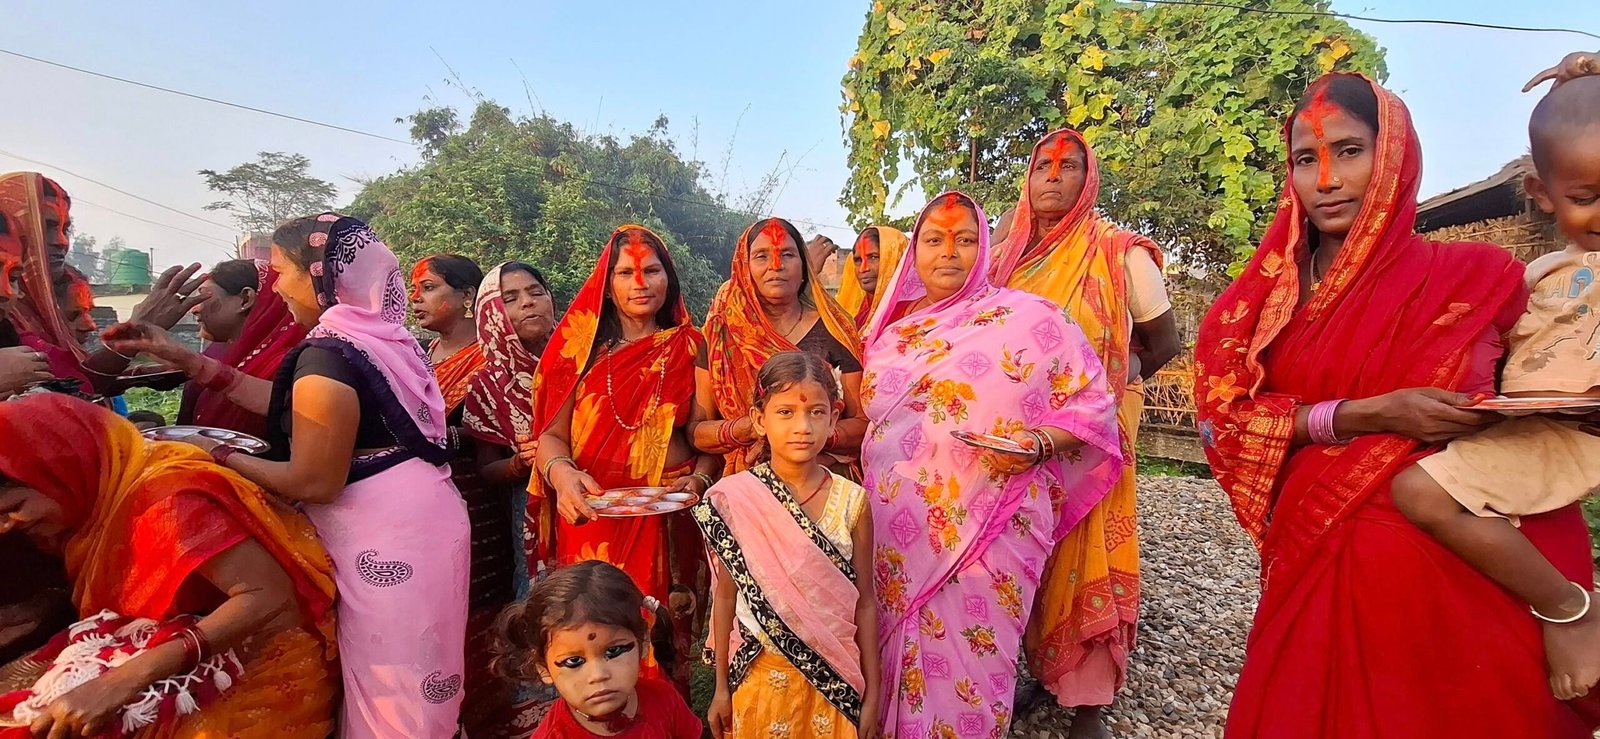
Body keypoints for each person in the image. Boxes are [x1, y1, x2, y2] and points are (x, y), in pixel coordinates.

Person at [1194, 73, 1598, 738]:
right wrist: (1368, 414)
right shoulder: (1259, 307)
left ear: (1394, 156)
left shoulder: (1481, 278)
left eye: (1349, 151)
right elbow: (1224, 422)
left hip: (1464, 579)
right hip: (1317, 565)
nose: (1326, 179)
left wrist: (1565, 605)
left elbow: (1549, 388)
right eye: (1305, 159)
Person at [117, 213, 471, 737]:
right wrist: (187, 361)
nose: (277, 288)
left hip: (385, 535)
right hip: (422, 516)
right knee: (424, 680)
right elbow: (307, 407)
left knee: (393, 692)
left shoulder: (329, 354)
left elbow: (313, 482)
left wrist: (215, 453)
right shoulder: (379, 337)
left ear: (320, 275)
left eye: (282, 272)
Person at [861, 191, 1121, 738]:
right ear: (913, 252)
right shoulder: (892, 336)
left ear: (984, 248)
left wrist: (1038, 444)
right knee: (895, 655)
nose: (948, 252)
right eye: (934, 239)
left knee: (977, 664)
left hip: (997, 527)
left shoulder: (1033, 319)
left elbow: (1094, 404)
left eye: (964, 239)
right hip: (899, 532)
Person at [1388, 76, 1600, 705]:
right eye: (1586, 196)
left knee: (1419, 493)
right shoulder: (1544, 272)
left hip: (1574, 434)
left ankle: (1570, 610)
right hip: (1529, 421)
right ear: (1541, 194)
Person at [988, 128, 1181, 735]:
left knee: (1087, 554)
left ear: (1088, 179)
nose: (1052, 176)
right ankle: (1037, 669)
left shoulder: (1119, 254)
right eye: (1041, 165)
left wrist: (1105, 390)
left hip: (1090, 441)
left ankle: (1090, 703)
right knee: (1025, 554)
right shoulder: (1003, 257)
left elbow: (1165, 342)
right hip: (1018, 440)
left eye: (1067, 166)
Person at [0, 394, 337, 738]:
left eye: (14, 507)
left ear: (61, 473)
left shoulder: (167, 501)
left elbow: (269, 597)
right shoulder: (96, 501)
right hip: (174, 644)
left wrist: (123, 680)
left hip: (261, 660)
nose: (5, 525)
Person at [530, 225, 718, 652]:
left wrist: (701, 478)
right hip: (592, 510)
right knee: (593, 632)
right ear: (607, 284)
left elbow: (705, 439)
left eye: (651, 270)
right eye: (625, 273)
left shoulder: (693, 347)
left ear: (668, 278)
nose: (640, 283)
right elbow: (551, 437)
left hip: (669, 510)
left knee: (660, 638)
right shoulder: (577, 351)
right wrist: (563, 477)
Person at [699, 351, 881, 739]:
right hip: (760, 681)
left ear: (833, 418)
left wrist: (873, 694)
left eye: (816, 412)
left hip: (836, 683)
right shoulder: (735, 499)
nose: (802, 426)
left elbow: (865, 602)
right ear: (759, 420)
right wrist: (721, 688)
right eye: (785, 412)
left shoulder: (851, 501)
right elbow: (726, 598)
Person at [458, 261, 557, 739]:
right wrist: (520, 463)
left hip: (600, 505)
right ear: (492, 314)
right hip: (532, 517)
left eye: (535, 291)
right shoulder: (488, 384)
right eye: (511, 298)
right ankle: (544, 718)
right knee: (542, 609)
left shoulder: (585, 360)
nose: (528, 303)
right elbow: (487, 469)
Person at [0, 172, 206, 396]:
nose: (61, 241)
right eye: (45, 226)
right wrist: (135, 331)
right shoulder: (11, 318)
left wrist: (135, 372)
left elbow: (74, 385)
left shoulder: (24, 315)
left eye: (65, 229)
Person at [695, 217, 866, 477]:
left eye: (787, 254)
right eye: (761, 256)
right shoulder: (721, 333)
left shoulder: (836, 327)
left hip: (823, 479)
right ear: (743, 267)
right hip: (744, 481)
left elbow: (863, 423)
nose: (776, 266)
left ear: (805, 266)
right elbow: (697, 432)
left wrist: (810, 435)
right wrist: (754, 427)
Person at [493, 560, 702, 739]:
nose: (598, 675)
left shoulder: (664, 699)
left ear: (643, 643)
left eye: (614, 651)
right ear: (543, 668)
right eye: (574, 661)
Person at [166, 259, 310, 437]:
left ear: (245, 299)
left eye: (203, 296)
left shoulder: (289, 364)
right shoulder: (220, 351)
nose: (193, 309)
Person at [412, 254, 487, 416]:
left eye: (428, 287)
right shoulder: (415, 352)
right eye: (414, 289)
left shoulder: (493, 358)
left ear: (466, 294)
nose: (415, 297)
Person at [833, 226, 909, 329]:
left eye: (873, 257)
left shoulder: (913, 314)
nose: (863, 269)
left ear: (896, 258)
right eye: (858, 260)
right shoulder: (861, 318)